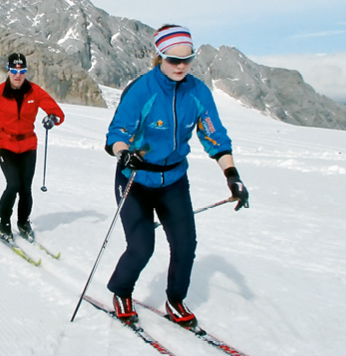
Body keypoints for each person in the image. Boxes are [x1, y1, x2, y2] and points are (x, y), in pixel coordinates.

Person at [104, 25, 249, 327]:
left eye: (187, 59)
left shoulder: (197, 92)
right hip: (135, 178)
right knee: (142, 246)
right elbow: (118, 131)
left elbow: (215, 137)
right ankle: (121, 290)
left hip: (173, 181)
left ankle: (175, 300)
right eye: (173, 60)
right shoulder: (142, 89)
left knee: (185, 245)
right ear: (159, 57)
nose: (181, 66)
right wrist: (123, 152)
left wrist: (232, 175)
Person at [0, 52, 65, 241]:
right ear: (8, 70)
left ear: (26, 71)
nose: (18, 75)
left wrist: (52, 119)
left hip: (28, 146)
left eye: (22, 70)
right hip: (5, 145)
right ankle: (4, 221)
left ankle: (23, 222)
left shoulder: (35, 92)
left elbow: (58, 113)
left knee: (25, 188)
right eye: (14, 70)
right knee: (14, 184)